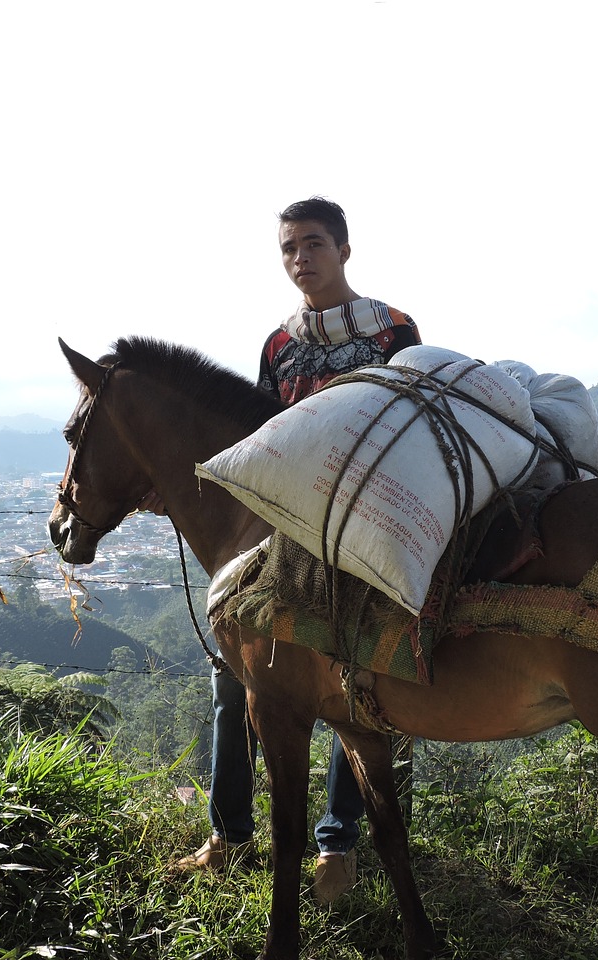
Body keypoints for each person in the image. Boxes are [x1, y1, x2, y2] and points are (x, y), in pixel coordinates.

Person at [173, 197, 420, 905]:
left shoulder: (392, 331)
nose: (299, 260)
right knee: (235, 679)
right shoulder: (278, 345)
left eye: (312, 244)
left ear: (344, 249)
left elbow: (403, 426)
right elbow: (258, 437)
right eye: (288, 248)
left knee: (353, 685)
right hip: (277, 531)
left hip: (357, 533)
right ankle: (228, 833)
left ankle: (336, 847)